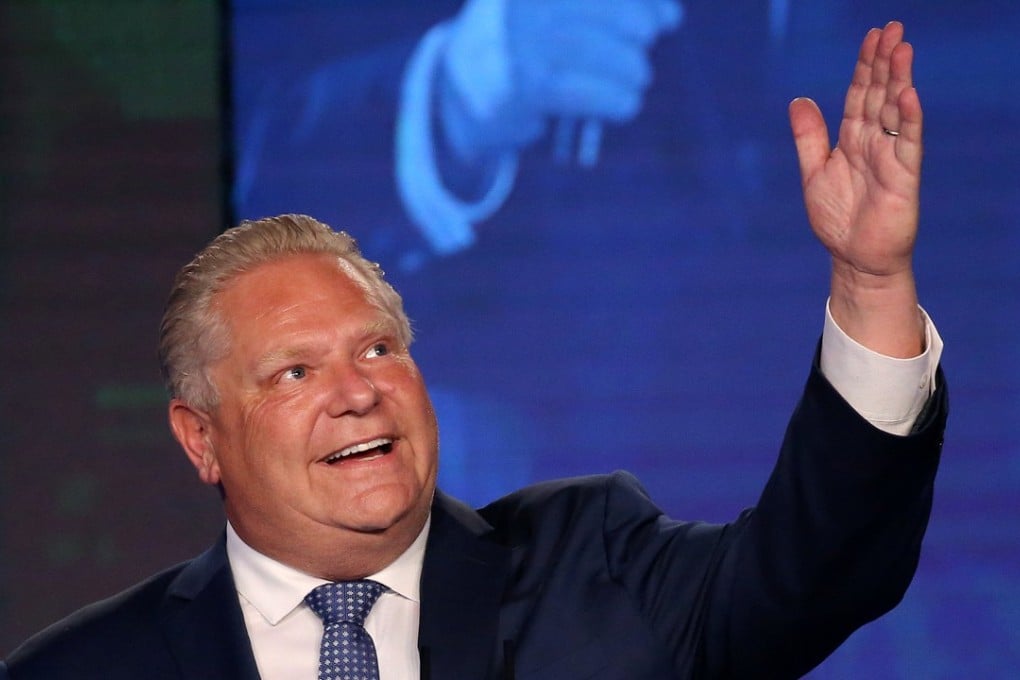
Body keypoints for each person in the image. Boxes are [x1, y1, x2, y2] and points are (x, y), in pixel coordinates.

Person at [1, 21, 946, 679]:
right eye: (296, 371)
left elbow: (820, 567)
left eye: (377, 349)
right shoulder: (83, 669)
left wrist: (867, 285)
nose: (357, 393)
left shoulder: (594, 574)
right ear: (199, 438)